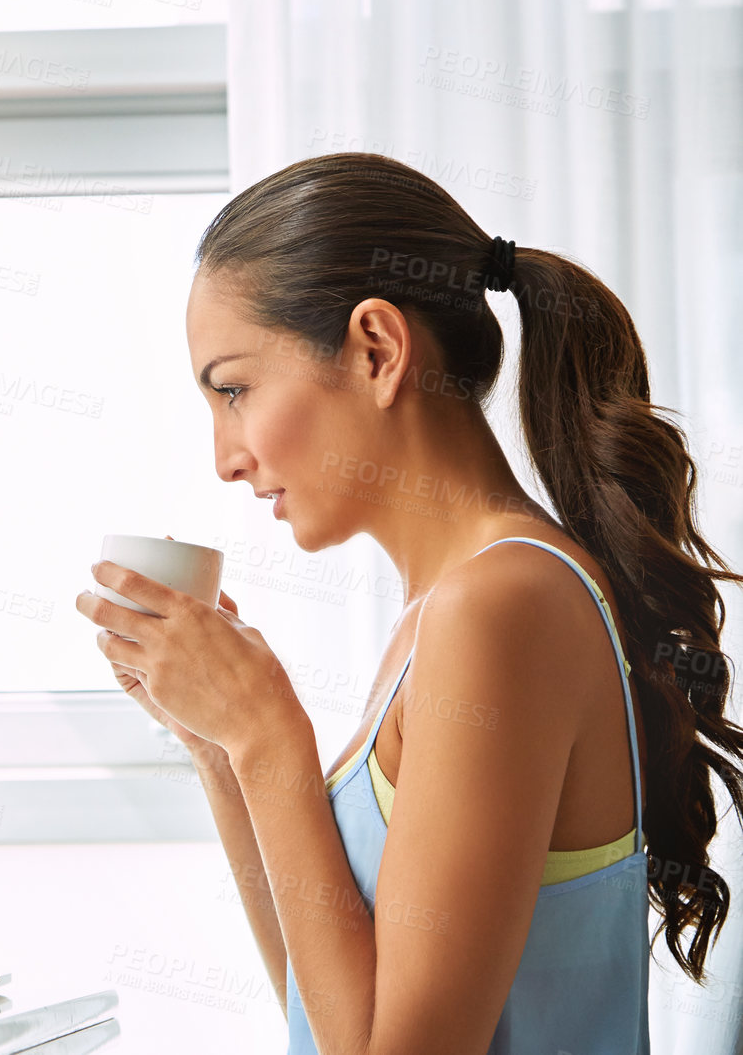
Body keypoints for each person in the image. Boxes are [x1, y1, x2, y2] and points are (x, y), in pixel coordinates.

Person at [75, 151, 743, 1054]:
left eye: (234, 390)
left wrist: (271, 735)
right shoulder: (453, 606)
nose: (225, 456)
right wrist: (221, 747)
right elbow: (327, 1016)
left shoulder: (501, 604)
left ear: (379, 351)